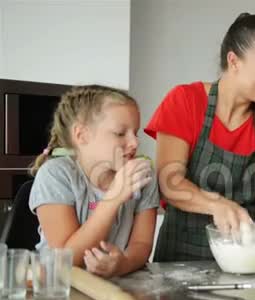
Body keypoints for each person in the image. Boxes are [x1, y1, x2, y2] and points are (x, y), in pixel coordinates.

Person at [145, 13, 255, 261]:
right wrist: (218, 205)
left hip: (245, 252)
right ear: (234, 61)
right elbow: (169, 183)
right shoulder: (185, 100)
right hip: (180, 257)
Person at [29, 85, 159, 278]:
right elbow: (67, 260)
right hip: (59, 287)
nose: (135, 142)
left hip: (118, 284)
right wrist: (113, 199)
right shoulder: (55, 175)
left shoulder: (143, 177)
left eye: (136, 132)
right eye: (120, 133)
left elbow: (141, 245)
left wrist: (123, 264)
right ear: (82, 135)